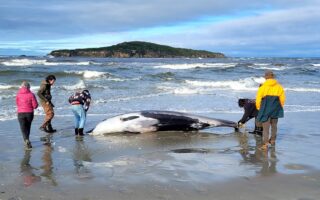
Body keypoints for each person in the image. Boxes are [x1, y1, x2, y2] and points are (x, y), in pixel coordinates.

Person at [256, 70, 286, 150]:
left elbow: (258, 99)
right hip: (276, 108)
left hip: (265, 108)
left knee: (266, 127)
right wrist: (279, 106)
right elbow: (282, 99)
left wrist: (259, 108)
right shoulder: (279, 86)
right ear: (273, 77)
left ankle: (265, 144)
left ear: (266, 77)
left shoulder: (263, 87)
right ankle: (272, 140)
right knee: (274, 126)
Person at [16, 81, 38, 150]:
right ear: (28, 87)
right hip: (29, 113)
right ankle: (27, 140)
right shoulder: (31, 94)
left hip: (20, 113)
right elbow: (35, 106)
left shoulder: (18, 94)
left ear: (22, 87)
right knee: (28, 127)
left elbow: (17, 103)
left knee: (23, 128)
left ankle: (26, 140)